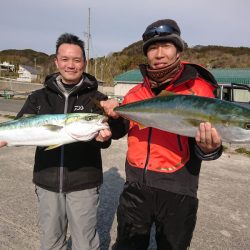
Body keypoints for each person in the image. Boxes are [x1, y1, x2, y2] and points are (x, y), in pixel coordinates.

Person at [101, 19, 223, 250]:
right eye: (153, 48)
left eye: (166, 46)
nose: (159, 54)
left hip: (178, 188)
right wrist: (113, 119)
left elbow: (213, 137)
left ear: (178, 49)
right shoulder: (136, 93)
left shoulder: (199, 90)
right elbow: (121, 131)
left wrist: (210, 149)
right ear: (147, 54)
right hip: (135, 185)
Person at [0, 33, 112, 250]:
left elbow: (107, 136)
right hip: (47, 181)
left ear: (85, 63)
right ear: (57, 62)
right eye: (65, 59)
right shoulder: (37, 97)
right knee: (51, 242)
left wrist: (103, 136)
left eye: (77, 60)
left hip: (84, 183)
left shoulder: (97, 99)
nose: (71, 65)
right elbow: (20, 128)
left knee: (86, 244)